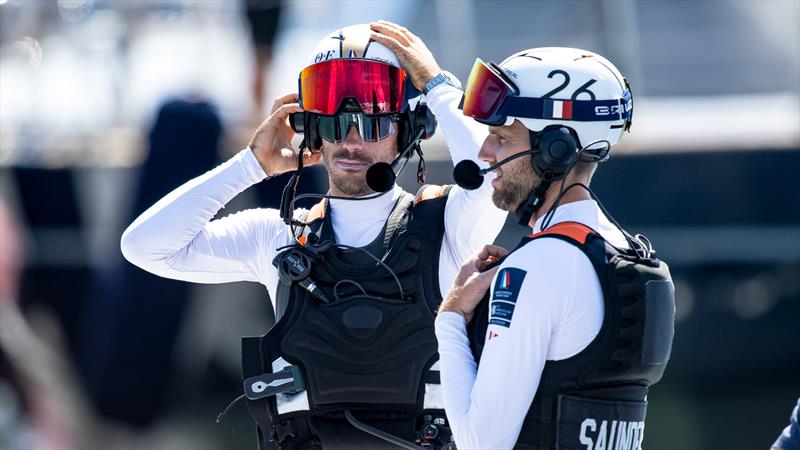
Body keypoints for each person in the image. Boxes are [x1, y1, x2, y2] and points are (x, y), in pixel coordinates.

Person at [121, 22, 505, 449]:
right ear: (313, 134)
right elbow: (144, 247)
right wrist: (250, 167)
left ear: (408, 131)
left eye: (373, 125)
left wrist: (437, 85)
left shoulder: (450, 224)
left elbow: (491, 178)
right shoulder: (278, 237)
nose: (352, 143)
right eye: (336, 126)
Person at [434, 47, 675, 449]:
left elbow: (481, 441)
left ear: (556, 149)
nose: (484, 154)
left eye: (500, 137)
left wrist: (452, 316)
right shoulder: (628, 253)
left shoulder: (537, 265)